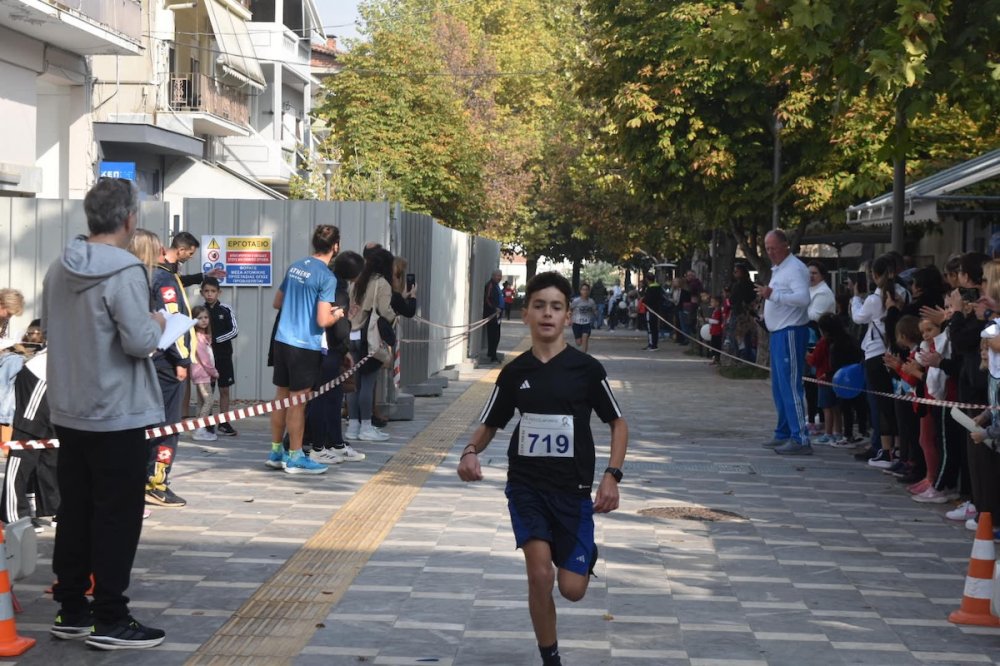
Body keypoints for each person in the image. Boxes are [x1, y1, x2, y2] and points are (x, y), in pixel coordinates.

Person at [457, 271, 628, 666]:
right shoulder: (515, 373)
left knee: (571, 589)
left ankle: (585, 553)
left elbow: (618, 423)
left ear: (568, 316)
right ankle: (550, 657)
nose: (547, 314)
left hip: (573, 491)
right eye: (539, 306)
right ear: (527, 313)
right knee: (539, 575)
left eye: (556, 307)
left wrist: (611, 475)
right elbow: (490, 423)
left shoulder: (586, 370)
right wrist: (470, 450)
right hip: (526, 487)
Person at [42, 177, 167, 649]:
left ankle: (71, 607)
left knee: (74, 511)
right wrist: (157, 322)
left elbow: (53, 327)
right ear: (130, 219)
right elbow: (138, 341)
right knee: (117, 515)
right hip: (117, 411)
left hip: (70, 407)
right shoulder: (127, 269)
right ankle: (111, 616)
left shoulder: (59, 266)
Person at [266, 225, 341, 474]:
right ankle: (296, 457)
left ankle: (276, 451)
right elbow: (322, 321)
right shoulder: (327, 277)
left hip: (282, 340)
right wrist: (337, 314)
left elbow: (278, 301)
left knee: (281, 397)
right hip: (304, 344)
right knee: (298, 403)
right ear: (336, 246)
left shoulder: (296, 265)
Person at [145, 232, 201, 507]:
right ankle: (156, 482)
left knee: (151, 423)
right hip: (166, 364)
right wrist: (182, 360)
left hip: (152, 360)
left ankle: (146, 478)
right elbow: (173, 319)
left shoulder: (153, 275)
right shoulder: (164, 278)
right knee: (168, 426)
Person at [757, 229, 812, 455]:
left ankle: (800, 437)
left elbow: (803, 299)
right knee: (779, 387)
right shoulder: (780, 269)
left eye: (773, 248)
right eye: (767, 248)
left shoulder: (795, 269)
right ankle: (784, 432)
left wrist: (773, 296)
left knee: (790, 385)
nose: (770, 252)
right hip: (779, 332)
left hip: (790, 332)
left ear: (785, 246)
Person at [307, 251, 366, 464]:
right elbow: (340, 329)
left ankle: (334, 442)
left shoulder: (324, 282)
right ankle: (320, 446)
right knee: (326, 400)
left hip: (319, 347)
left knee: (329, 398)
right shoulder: (339, 291)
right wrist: (347, 326)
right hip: (330, 351)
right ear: (355, 274)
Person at [346, 248, 398, 444]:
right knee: (368, 383)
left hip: (352, 335)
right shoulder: (381, 284)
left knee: (353, 384)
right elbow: (385, 312)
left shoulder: (357, 282)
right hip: (369, 338)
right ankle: (366, 426)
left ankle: (353, 425)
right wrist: (395, 317)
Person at [200, 277, 238, 436]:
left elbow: (234, 331)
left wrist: (215, 339)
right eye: (206, 291)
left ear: (219, 292)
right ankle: (207, 422)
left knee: (224, 389)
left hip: (223, 357)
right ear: (202, 293)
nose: (210, 294)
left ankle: (224, 421)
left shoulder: (226, 309)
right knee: (207, 391)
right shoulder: (199, 311)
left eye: (213, 291)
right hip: (206, 358)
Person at [189, 305, 219, 442]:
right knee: (209, 400)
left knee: (201, 402)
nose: (203, 320)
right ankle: (200, 429)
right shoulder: (198, 338)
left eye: (206, 317)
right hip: (202, 374)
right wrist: (214, 372)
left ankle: (197, 429)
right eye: (199, 318)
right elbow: (205, 360)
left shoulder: (203, 336)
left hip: (201, 374)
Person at [641, 274, 666, 350]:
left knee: (650, 328)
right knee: (655, 327)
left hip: (650, 310)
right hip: (657, 309)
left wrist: (643, 300)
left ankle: (652, 344)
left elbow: (647, 299)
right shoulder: (659, 288)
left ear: (647, 280)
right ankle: (654, 343)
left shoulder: (650, 289)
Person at [569, 283, 596, 354]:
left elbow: (594, 310)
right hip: (576, 323)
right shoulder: (576, 301)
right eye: (583, 290)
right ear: (580, 291)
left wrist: (596, 314)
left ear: (589, 291)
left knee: (585, 338)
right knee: (578, 343)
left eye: (587, 290)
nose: (585, 291)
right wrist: (570, 319)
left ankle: (584, 356)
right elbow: (570, 310)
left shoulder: (591, 301)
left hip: (586, 323)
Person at [483, 269, 503, 363]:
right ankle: (492, 355)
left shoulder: (497, 286)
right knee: (493, 336)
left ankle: (493, 354)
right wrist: (495, 308)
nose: (499, 277)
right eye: (498, 275)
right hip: (492, 315)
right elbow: (487, 299)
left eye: (500, 276)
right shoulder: (490, 285)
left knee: (497, 335)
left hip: (498, 316)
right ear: (493, 276)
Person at [708, 295, 724, 364]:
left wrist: (708, 320)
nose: (711, 303)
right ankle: (714, 358)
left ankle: (717, 358)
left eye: (712, 302)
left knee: (716, 345)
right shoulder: (715, 310)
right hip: (713, 331)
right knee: (713, 345)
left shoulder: (718, 311)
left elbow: (717, 321)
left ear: (717, 303)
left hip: (717, 331)